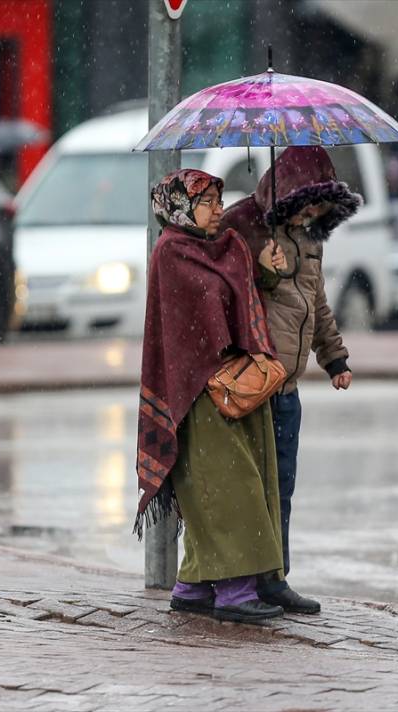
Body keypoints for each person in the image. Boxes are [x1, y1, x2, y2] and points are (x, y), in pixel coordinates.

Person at [134, 168, 291, 624]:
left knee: (238, 484)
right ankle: (235, 592)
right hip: (199, 394)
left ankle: (193, 584)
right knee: (225, 490)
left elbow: (238, 302)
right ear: (181, 207)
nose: (219, 209)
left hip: (238, 386)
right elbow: (188, 332)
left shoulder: (228, 248)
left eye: (219, 200)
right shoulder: (172, 253)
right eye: (207, 202)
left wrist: (263, 271)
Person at [220, 147, 360, 615]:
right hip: (255, 381)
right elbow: (233, 300)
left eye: (321, 206)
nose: (311, 214)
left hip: (288, 390)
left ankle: (274, 576)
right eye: (305, 203)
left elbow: (316, 307)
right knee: (250, 490)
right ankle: (243, 581)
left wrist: (334, 358)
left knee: (282, 487)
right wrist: (264, 273)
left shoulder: (311, 242)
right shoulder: (249, 233)